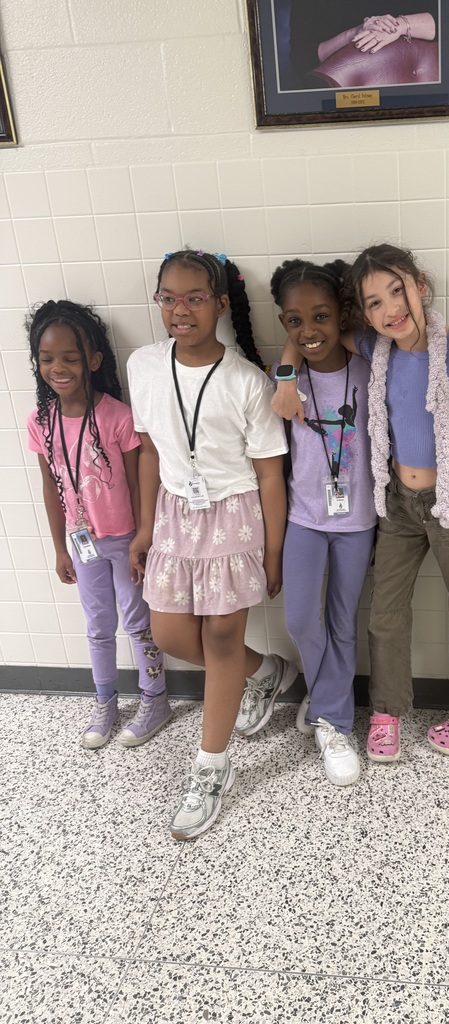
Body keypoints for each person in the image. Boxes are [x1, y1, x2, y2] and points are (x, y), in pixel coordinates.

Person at [274, 244, 449, 762]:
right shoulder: (375, 347)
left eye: (397, 291)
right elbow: (307, 337)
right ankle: (387, 711)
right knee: (385, 613)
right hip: (394, 499)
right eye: (374, 302)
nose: (390, 309)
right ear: (363, 313)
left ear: (420, 285)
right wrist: (284, 375)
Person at [128, 250, 295, 841]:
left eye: (195, 297)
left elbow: (270, 474)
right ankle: (266, 671)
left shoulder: (246, 381)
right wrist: (144, 528)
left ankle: (210, 770)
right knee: (173, 634)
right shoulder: (144, 365)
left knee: (221, 637)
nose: (181, 309)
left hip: (234, 515)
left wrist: (272, 551)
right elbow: (150, 451)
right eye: (169, 297)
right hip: (174, 513)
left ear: (220, 303)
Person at [27, 300, 170, 750]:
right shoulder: (40, 423)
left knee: (139, 622)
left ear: (93, 361)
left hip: (125, 541)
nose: (58, 368)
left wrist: (144, 537)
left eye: (70, 357)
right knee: (98, 625)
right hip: (81, 542)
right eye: (47, 358)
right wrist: (60, 548)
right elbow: (50, 487)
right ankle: (105, 700)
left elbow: (139, 482)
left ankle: (155, 699)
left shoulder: (118, 416)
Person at [270, 258, 376, 786]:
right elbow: (287, 373)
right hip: (305, 518)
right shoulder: (286, 378)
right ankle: (329, 702)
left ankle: (333, 721)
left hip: (357, 521)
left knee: (342, 622)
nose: (309, 330)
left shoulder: (370, 369)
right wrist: (288, 369)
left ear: (342, 316)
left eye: (321, 316)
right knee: (300, 621)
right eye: (295, 321)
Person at [288, 1, 437, 82]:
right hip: (347, 98)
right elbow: (302, 60)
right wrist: (353, 34)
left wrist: (398, 26)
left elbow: (446, 22)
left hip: (418, 90)